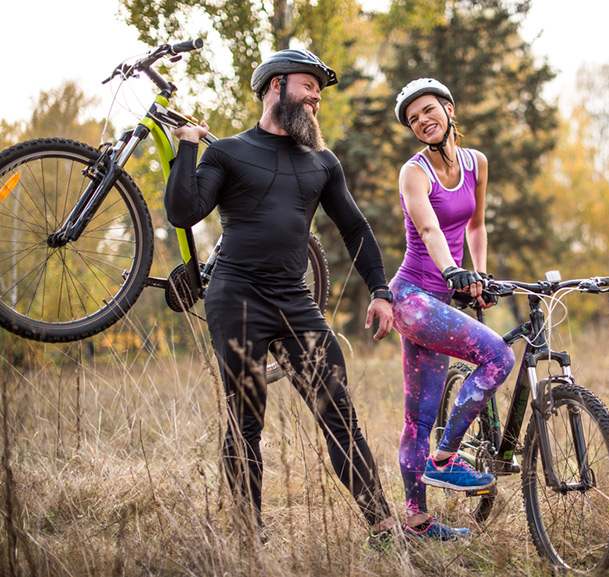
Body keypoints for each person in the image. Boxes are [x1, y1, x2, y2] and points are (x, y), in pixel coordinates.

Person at [164, 49, 398, 547]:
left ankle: (382, 524)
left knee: (339, 411)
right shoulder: (226, 151)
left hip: (295, 301)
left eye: (319, 89)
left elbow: (354, 228)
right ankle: (250, 533)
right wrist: (187, 147)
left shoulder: (322, 161)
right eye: (309, 85)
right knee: (244, 419)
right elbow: (185, 211)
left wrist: (380, 290)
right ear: (276, 85)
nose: (316, 97)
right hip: (236, 298)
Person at [388, 78, 516, 540]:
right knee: (499, 356)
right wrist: (451, 271)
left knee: (419, 416)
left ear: (448, 108)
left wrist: (477, 275)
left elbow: (476, 226)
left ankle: (417, 524)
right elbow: (428, 228)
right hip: (412, 297)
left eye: (428, 110)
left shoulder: (475, 163)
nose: (422, 121)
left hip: (441, 295)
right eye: (413, 118)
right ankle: (445, 459)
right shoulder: (413, 172)